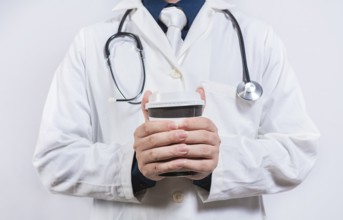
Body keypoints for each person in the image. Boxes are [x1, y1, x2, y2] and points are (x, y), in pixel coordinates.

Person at [33, 0, 320, 219]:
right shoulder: (91, 43)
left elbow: (297, 151)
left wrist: (219, 164)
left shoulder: (257, 38)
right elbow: (54, 158)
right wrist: (133, 167)